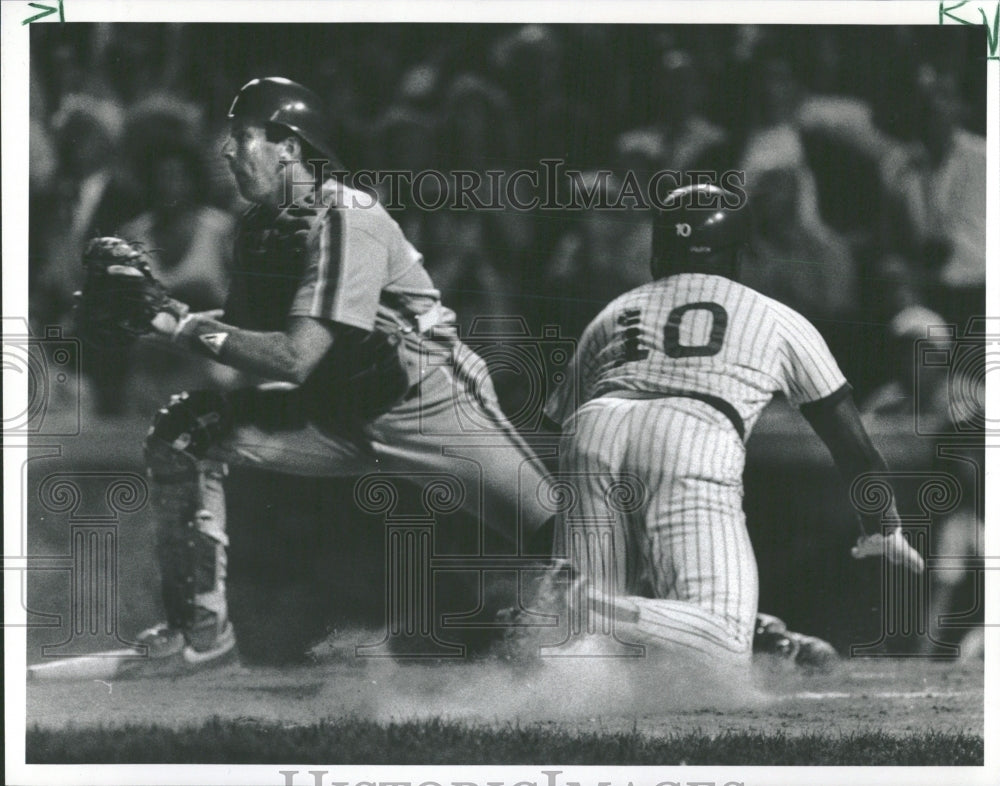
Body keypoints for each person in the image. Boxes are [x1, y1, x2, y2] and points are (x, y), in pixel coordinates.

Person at [133, 77, 554, 669]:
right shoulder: (257, 229)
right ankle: (200, 631)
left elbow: (293, 355)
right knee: (183, 432)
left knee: (561, 539)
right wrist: (155, 318)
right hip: (333, 412)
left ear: (289, 147)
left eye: (241, 136)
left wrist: (178, 325)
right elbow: (245, 343)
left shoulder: (348, 216)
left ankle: (635, 658)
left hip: (427, 402)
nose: (226, 151)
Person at [535, 184, 923, 669]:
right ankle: (591, 604)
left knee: (587, 652)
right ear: (738, 254)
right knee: (720, 641)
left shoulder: (615, 312)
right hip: (690, 434)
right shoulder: (775, 316)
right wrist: (882, 527)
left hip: (590, 429)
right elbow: (855, 448)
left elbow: (553, 428)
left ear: (660, 252)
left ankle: (571, 614)